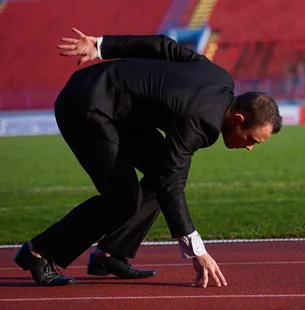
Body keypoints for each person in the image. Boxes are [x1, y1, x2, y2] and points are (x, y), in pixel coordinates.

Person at [13, 28, 283, 287]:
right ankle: (38, 252)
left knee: (159, 168)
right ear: (238, 119)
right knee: (123, 199)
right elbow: (173, 185)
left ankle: (110, 254)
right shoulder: (204, 122)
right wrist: (196, 250)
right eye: (251, 139)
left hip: (116, 108)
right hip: (87, 105)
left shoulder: (220, 78)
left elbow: (163, 45)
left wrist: (101, 46)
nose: (249, 147)